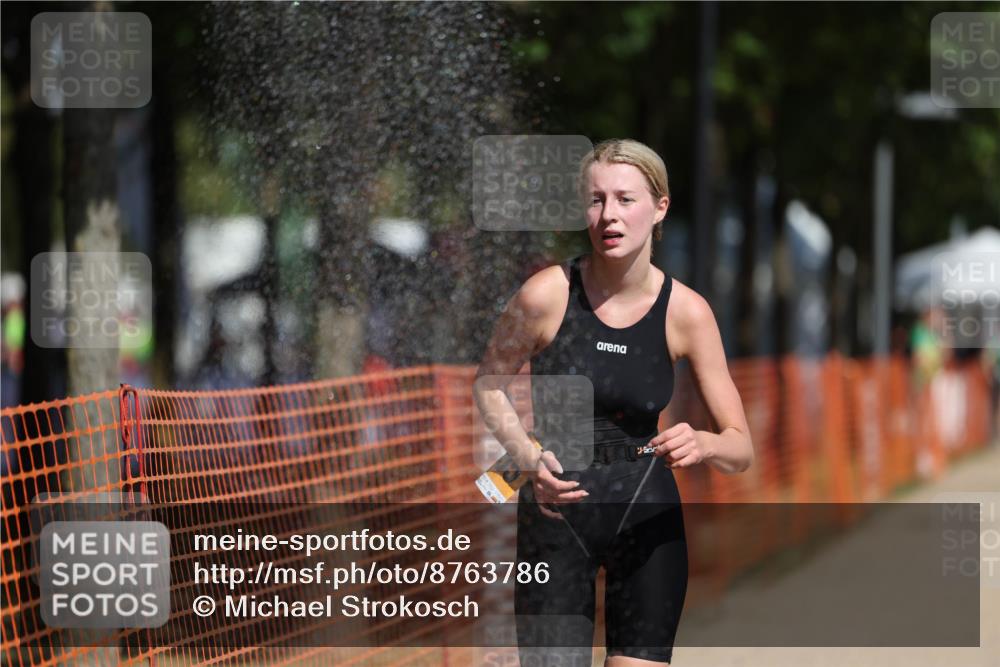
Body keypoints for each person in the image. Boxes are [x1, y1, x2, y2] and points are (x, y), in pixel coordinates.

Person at [473, 139, 754, 666]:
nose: (609, 215)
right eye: (596, 199)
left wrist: (706, 441)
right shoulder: (546, 296)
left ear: (660, 207)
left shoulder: (687, 313)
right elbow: (487, 385)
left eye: (626, 199)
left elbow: (742, 449)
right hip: (555, 517)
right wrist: (527, 458)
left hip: (646, 516)